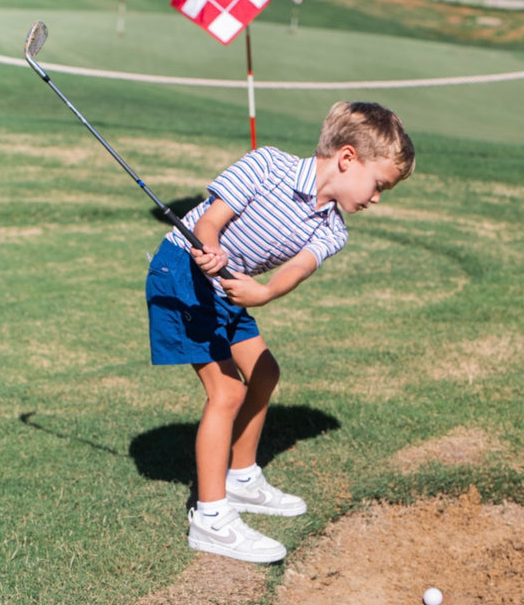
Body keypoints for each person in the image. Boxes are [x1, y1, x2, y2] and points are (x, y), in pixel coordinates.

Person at [146, 101, 415, 564]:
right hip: (181, 274)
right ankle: (210, 518)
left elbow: (294, 270)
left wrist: (265, 293)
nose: (376, 199)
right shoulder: (266, 164)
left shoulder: (334, 230)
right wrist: (208, 248)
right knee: (227, 392)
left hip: (231, 290)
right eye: (378, 185)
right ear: (347, 158)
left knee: (265, 372)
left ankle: (242, 476)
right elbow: (209, 219)